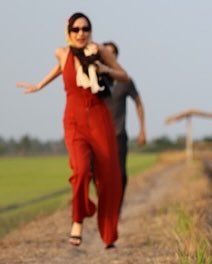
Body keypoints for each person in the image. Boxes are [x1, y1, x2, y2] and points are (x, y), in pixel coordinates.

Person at [17, 12, 127, 248]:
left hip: (99, 119)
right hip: (74, 121)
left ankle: (108, 234)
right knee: (81, 170)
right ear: (68, 32)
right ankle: (78, 220)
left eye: (85, 29)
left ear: (90, 31)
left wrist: (104, 69)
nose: (81, 33)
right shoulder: (62, 53)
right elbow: (61, 68)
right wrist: (39, 85)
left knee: (109, 178)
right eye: (76, 29)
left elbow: (124, 75)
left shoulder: (100, 51)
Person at [101, 41, 146, 210]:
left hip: (118, 134)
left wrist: (142, 130)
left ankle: (116, 209)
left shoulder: (125, 80)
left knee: (120, 175)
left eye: (112, 53)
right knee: (98, 174)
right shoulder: (95, 79)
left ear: (116, 57)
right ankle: (105, 204)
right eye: (105, 53)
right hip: (99, 135)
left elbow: (138, 103)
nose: (109, 55)